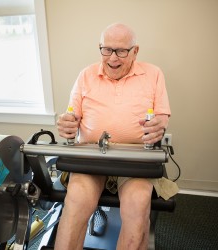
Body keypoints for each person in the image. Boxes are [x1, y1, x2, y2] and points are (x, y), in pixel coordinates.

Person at [55, 23, 171, 250]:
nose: (112, 58)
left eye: (121, 51)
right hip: (92, 157)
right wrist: (67, 124)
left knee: (137, 207)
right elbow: (71, 116)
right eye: (106, 50)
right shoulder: (86, 75)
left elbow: (162, 118)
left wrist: (159, 126)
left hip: (135, 159)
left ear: (135, 51)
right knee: (75, 203)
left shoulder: (154, 74)